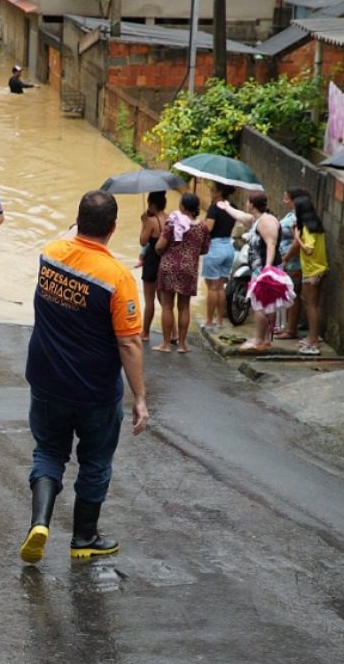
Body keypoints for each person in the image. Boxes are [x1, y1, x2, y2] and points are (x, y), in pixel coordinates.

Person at [20, 190, 147, 563]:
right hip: (94, 391)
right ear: (113, 228)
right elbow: (129, 345)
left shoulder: (51, 253)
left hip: (45, 379)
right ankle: (84, 538)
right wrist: (139, 397)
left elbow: (66, 235)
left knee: (48, 451)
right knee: (94, 461)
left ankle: (39, 524)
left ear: (77, 221)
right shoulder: (117, 278)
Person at [217, 191, 280, 350]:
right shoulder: (257, 219)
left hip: (265, 269)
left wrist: (267, 268)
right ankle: (266, 339)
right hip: (262, 268)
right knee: (268, 305)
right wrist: (226, 207)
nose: (246, 204)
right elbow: (241, 216)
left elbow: (271, 244)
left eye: (247, 202)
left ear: (251, 204)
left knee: (261, 305)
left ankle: (260, 339)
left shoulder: (265, 221)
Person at [154, 193, 210, 354]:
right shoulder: (203, 227)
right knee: (184, 307)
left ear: (183, 207)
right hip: (189, 269)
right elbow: (204, 249)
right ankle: (182, 345)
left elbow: (159, 246)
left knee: (167, 306)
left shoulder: (173, 222)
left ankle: (165, 344)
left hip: (169, 266)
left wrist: (163, 252)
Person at [292, 195, 328, 356]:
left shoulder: (306, 228)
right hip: (319, 269)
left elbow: (309, 249)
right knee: (314, 305)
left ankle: (313, 340)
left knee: (311, 305)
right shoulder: (316, 226)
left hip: (312, 271)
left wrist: (296, 237)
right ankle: (313, 336)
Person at [274, 187, 309, 340]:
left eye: (287, 198)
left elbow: (297, 242)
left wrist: (286, 258)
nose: (284, 201)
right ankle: (287, 327)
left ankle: (291, 330)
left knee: (293, 296)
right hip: (286, 260)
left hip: (293, 262)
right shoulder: (291, 215)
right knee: (288, 294)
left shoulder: (300, 218)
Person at [201, 182, 237, 329]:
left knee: (211, 288)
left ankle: (209, 321)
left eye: (212, 190)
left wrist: (199, 224)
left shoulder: (214, 208)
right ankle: (220, 321)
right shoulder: (232, 208)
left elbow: (208, 228)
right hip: (229, 247)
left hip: (215, 248)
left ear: (219, 193)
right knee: (220, 287)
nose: (210, 192)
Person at [138, 191, 168, 342]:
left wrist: (144, 223)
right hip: (165, 260)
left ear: (152, 205)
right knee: (165, 301)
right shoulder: (169, 218)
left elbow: (143, 241)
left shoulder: (151, 221)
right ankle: (173, 333)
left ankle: (145, 332)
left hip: (152, 261)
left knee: (149, 300)